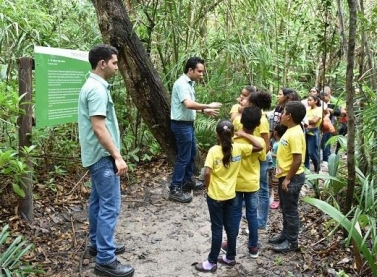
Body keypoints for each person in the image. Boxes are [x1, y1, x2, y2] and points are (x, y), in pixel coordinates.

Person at [78, 44, 134, 277]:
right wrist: (118, 157)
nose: (116, 66)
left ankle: (97, 245)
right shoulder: (97, 89)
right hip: (103, 157)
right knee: (110, 205)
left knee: (98, 202)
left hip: (97, 156)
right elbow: (100, 129)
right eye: (114, 62)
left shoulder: (93, 85)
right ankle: (105, 260)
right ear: (102, 63)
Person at [194, 119, 263, 273]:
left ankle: (212, 262)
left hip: (216, 196)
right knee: (231, 227)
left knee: (217, 229)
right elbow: (259, 146)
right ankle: (230, 257)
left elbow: (207, 172)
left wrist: (208, 187)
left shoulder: (213, 151)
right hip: (231, 195)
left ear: (217, 135)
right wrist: (244, 134)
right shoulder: (238, 149)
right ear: (232, 134)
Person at [170, 57, 222, 203]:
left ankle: (188, 181)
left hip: (187, 124)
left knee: (192, 153)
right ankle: (175, 188)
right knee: (184, 157)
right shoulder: (181, 84)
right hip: (181, 125)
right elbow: (188, 104)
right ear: (190, 70)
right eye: (199, 71)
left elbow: (187, 107)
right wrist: (208, 106)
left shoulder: (189, 83)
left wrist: (203, 110)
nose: (201, 74)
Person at [268, 101, 306, 253]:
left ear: (289, 116)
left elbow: (297, 159)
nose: (281, 115)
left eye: (283, 113)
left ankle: (292, 242)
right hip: (284, 175)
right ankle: (285, 235)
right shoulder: (290, 130)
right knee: (285, 208)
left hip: (292, 177)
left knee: (291, 210)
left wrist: (288, 179)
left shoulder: (296, 133)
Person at [233, 106, 266, 258]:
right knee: (252, 215)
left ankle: (230, 244)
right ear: (258, 124)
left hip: (236, 183)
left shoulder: (234, 139)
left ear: (241, 121)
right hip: (252, 184)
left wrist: (241, 134)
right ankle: (253, 247)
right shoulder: (259, 142)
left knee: (234, 214)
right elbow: (262, 158)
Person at [269, 124, 286, 209]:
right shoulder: (277, 142)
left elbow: (280, 155)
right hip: (274, 166)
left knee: (275, 184)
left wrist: (270, 154)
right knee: (272, 183)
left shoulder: (278, 144)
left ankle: (276, 200)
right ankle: (274, 199)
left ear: (275, 132)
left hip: (276, 167)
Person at [304, 95, 322, 173]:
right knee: (305, 152)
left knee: (311, 152)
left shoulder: (319, 110)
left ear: (315, 101)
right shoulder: (307, 109)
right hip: (306, 132)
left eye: (310, 100)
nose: (308, 102)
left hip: (313, 133)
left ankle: (317, 168)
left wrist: (307, 121)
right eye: (308, 100)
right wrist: (308, 121)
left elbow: (315, 121)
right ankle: (306, 169)